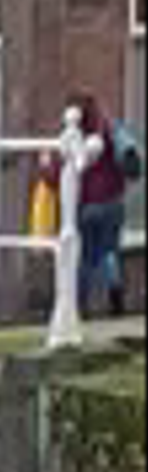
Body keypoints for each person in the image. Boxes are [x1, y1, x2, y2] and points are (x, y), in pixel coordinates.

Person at [68, 95, 128, 322]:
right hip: (113, 202)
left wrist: (45, 168)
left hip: (87, 206)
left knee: (85, 258)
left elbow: (61, 173)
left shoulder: (74, 138)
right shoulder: (109, 131)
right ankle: (116, 297)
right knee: (109, 252)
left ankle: (80, 306)